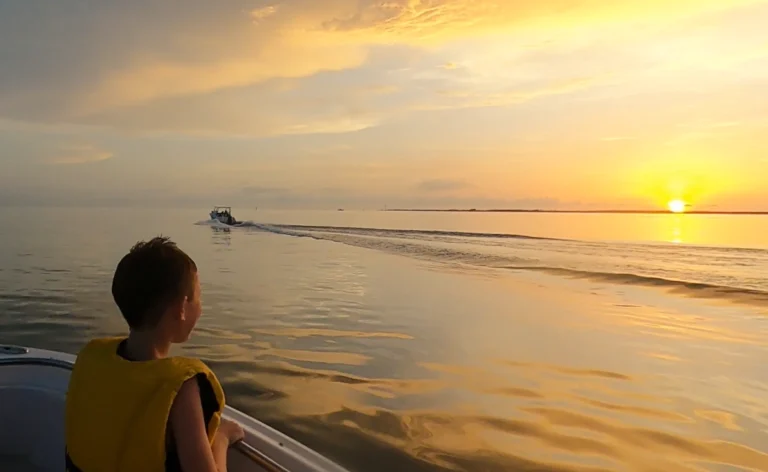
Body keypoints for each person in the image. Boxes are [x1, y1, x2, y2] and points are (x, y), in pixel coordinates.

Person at [64, 236, 244, 472]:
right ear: (181, 308)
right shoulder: (179, 387)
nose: (201, 307)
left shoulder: (91, 356)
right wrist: (221, 437)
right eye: (198, 298)